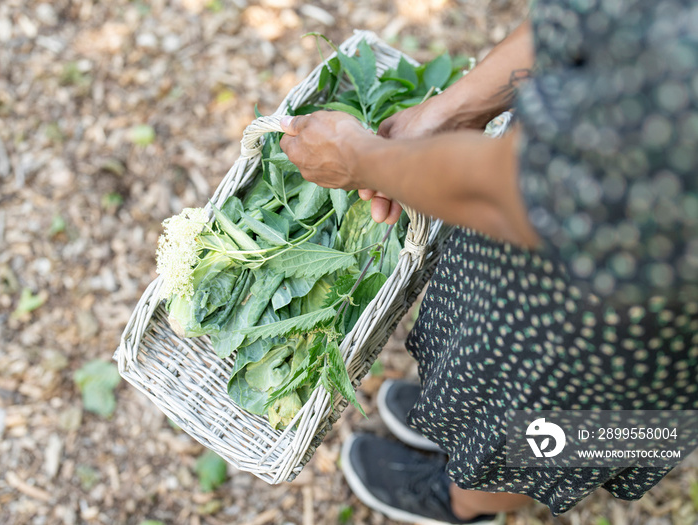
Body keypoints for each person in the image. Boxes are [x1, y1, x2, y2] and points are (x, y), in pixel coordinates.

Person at [279, 0, 698, 523]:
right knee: (483, 354)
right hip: (546, 245)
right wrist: (448, 114)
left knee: (547, 436)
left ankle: (467, 504)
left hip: (637, 322)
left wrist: (364, 161)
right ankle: (459, 418)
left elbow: (520, 194)